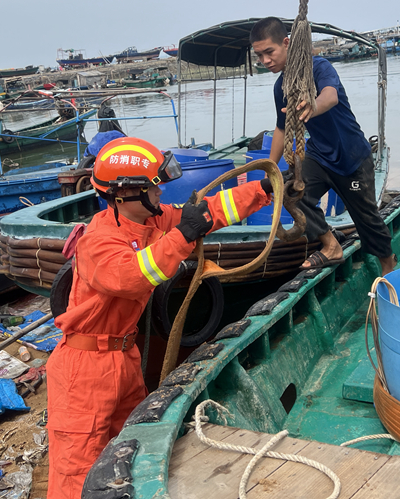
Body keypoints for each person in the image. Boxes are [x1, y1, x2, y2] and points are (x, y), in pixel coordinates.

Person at [47, 136, 276, 498]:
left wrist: (264, 189)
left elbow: (211, 212)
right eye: (155, 186)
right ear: (125, 194)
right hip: (85, 368)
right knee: (78, 468)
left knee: (129, 453)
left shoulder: (151, 222)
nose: (162, 192)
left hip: (123, 356)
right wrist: (184, 235)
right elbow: (131, 276)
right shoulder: (99, 240)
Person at [250, 17, 396, 276]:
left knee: (367, 220)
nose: (265, 61)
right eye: (259, 56)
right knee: (290, 192)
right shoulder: (280, 87)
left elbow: (330, 96)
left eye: (269, 52)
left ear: (286, 43)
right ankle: (331, 246)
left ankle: (389, 267)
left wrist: (312, 106)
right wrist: (269, 169)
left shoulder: (319, 67)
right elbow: (282, 128)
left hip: (351, 158)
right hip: (319, 155)